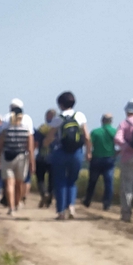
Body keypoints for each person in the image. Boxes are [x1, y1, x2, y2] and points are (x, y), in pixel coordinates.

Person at [44, 91, 92, 220]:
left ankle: (61, 212)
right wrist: (88, 152)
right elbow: (86, 136)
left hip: (61, 152)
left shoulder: (58, 118)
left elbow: (49, 138)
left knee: (60, 181)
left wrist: (46, 144)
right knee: (72, 181)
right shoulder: (80, 116)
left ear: (60, 104)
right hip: (76, 152)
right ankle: (71, 206)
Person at [0, 99, 35, 217]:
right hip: (22, 156)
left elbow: (1, 141)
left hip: (7, 156)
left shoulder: (6, 120)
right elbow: (30, 144)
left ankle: (11, 208)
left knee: (9, 183)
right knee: (19, 183)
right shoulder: (27, 120)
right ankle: (16, 204)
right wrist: (32, 162)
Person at [84, 114, 117, 210]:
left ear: (102, 120)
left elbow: (89, 143)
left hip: (96, 158)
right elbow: (120, 144)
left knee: (92, 181)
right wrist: (116, 153)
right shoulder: (114, 132)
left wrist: (88, 153)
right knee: (108, 182)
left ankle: (88, 200)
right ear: (111, 121)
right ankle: (107, 203)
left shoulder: (95, 132)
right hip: (109, 159)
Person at [34, 109, 56, 207]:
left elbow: (36, 142)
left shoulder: (42, 128)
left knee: (40, 178)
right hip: (55, 157)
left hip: (42, 157)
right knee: (52, 180)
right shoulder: (58, 128)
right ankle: (49, 199)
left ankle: (44, 193)